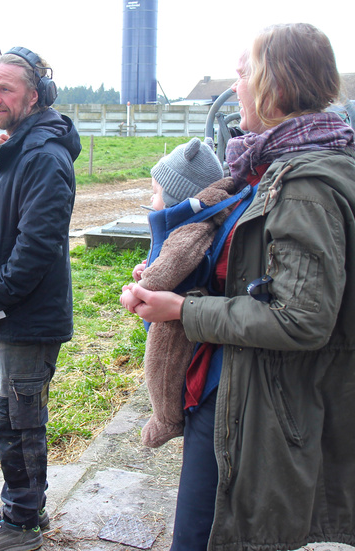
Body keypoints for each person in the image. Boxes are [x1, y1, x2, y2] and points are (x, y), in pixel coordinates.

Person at [120, 23, 355, 551]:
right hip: (231, 395)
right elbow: (247, 274)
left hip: (259, 406)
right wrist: (174, 280)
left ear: (276, 86)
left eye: (243, 74)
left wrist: (182, 310)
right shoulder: (266, 170)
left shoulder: (303, 188)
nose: (236, 86)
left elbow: (300, 318)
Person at [0, 47, 80, 551]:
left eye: (5, 88)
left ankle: (23, 526)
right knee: (9, 417)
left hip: (25, 316)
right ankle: (21, 505)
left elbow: (38, 244)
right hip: (9, 313)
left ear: (35, 95)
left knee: (23, 423)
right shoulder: (15, 147)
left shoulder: (44, 156)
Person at [123, 138, 237, 448]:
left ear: (174, 196)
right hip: (178, 308)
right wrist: (146, 269)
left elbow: (173, 262)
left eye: (156, 191)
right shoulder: (181, 220)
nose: (151, 196)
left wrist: (138, 290)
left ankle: (166, 419)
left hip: (179, 325)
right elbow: (163, 261)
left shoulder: (190, 228)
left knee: (164, 362)